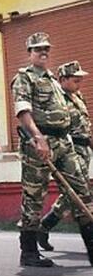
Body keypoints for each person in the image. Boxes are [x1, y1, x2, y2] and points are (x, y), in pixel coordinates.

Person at [11, 34, 93, 266]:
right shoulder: (24, 78)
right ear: (30, 52)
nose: (43, 52)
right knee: (34, 197)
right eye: (38, 49)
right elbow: (23, 110)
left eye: (46, 48)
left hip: (63, 143)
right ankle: (28, 252)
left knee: (81, 193)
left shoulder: (54, 81)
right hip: (39, 143)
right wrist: (38, 137)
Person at [36, 61, 92, 251]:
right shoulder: (58, 101)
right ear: (63, 80)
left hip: (84, 149)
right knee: (79, 193)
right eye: (75, 80)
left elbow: (84, 124)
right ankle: (46, 225)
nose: (79, 83)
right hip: (70, 148)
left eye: (80, 80)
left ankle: (45, 226)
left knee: (74, 193)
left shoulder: (77, 96)